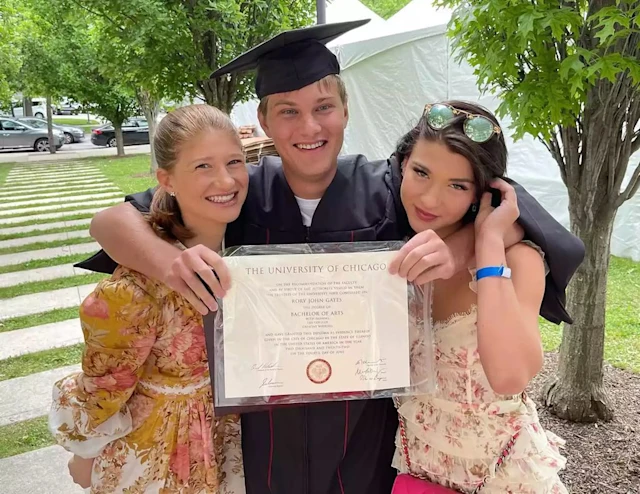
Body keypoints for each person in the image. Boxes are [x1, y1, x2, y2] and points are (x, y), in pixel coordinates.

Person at [75, 21, 583, 494]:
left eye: (323, 106)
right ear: (263, 119)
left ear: (345, 109)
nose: (309, 125)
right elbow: (112, 222)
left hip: (365, 434)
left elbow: (503, 206)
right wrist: (170, 264)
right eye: (287, 111)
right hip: (265, 432)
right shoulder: (238, 192)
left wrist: (455, 251)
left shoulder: (389, 184)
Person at [48, 105, 247, 494]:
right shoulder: (136, 289)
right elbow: (105, 387)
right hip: (160, 455)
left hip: (231, 445)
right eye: (202, 166)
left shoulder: (247, 254)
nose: (225, 179)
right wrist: (85, 454)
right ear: (166, 179)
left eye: (234, 162)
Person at [389, 102, 568, 493]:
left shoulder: (518, 260)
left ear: (482, 193)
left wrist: (488, 243)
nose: (430, 200)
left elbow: (509, 376)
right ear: (403, 164)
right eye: (421, 172)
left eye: (457, 185)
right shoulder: (397, 254)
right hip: (418, 470)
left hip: (503, 477)